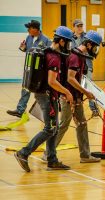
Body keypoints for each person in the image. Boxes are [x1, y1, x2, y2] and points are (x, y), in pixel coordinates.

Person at [14, 26, 74, 172]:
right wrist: (67, 93)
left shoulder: (48, 51)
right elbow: (52, 81)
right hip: (46, 96)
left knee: (55, 128)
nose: (68, 46)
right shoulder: (53, 57)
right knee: (50, 129)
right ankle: (23, 152)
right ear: (60, 41)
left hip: (46, 95)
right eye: (67, 43)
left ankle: (52, 159)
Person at [43, 30, 103, 163]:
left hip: (76, 98)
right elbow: (70, 79)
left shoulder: (80, 55)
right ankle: (48, 153)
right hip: (68, 98)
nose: (95, 49)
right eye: (95, 46)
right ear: (89, 45)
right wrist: (86, 92)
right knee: (64, 124)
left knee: (81, 124)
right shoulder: (75, 56)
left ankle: (85, 155)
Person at [7, 20, 51, 118]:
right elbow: (27, 50)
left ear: (36, 29)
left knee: (40, 93)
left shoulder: (46, 40)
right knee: (25, 89)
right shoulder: (28, 37)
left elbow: (49, 56)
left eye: (29, 28)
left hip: (39, 71)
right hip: (28, 69)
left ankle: (46, 113)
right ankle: (20, 110)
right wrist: (23, 48)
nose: (28, 30)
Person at [72, 19, 99, 117]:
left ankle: (94, 109)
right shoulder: (70, 38)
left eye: (81, 26)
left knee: (89, 86)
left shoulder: (87, 37)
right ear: (74, 27)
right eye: (78, 26)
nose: (80, 28)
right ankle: (76, 105)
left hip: (87, 65)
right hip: (75, 66)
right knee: (76, 86)